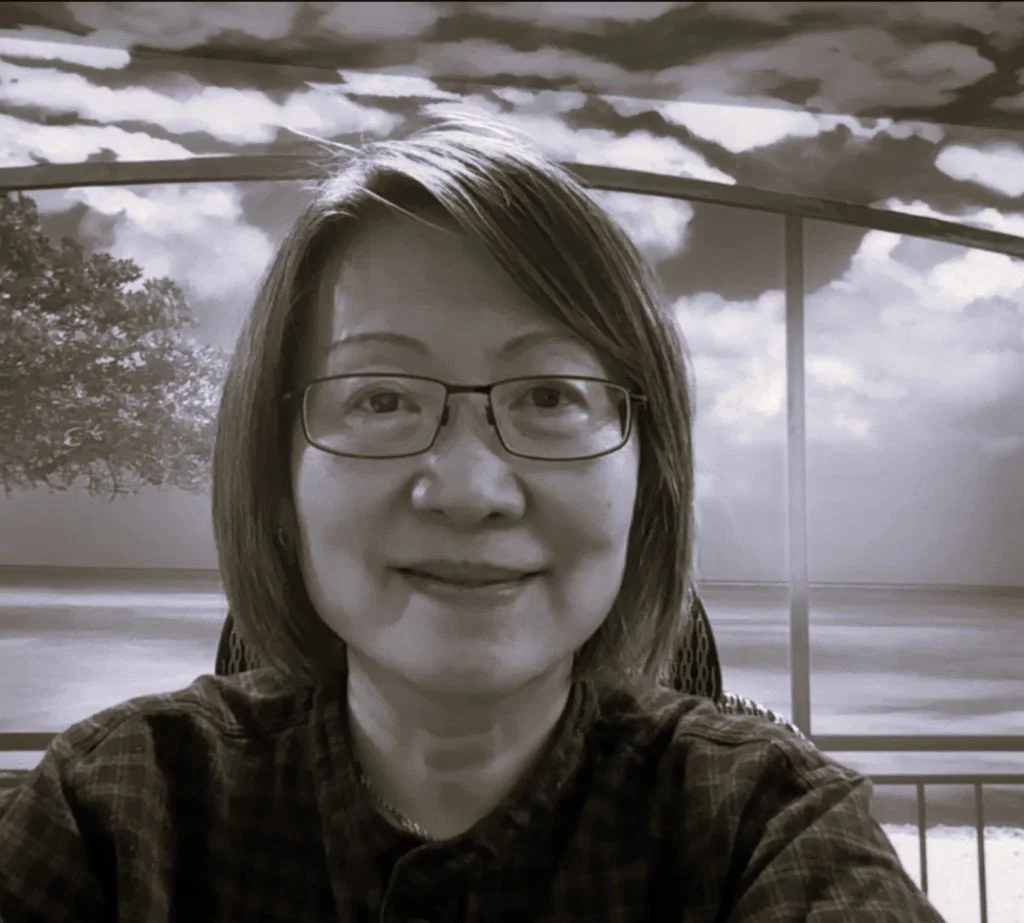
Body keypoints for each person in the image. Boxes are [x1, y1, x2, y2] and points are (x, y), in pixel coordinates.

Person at [0, 105, 945, 922]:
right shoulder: (117, 813)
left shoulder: (766, 826)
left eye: (549, 396)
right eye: (380, 398)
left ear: (645, 479)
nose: (468, 489)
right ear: (278, 484)